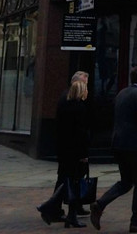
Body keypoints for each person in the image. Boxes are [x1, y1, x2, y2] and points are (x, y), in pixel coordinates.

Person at [90, 66, 137, 233]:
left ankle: (99, 204)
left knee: (126, 181)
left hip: (119, 144)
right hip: (135, 144)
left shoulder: (122, 93)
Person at [37, 71, 89, 226]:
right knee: (73, 181)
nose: (86, 88)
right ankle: (55, 209)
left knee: (65, 180)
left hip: (64, 148)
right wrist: (84, 153)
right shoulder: (77, 105)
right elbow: (80, 132)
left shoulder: (64, 100)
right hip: (74, 151)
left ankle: (56, 210)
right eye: (84, 84)